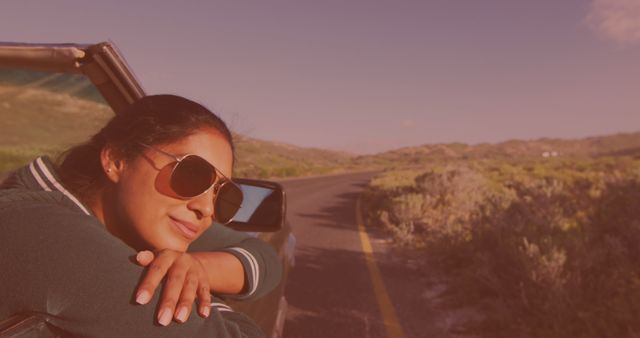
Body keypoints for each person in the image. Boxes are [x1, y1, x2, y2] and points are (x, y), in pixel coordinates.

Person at [0, 95, 281, 337]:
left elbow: (265, 258)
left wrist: (192, 268)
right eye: (192, 175)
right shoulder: (43, 231)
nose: (206, 209)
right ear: (117, 159)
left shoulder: (133, 220)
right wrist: (190, 287)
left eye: (222, 197)